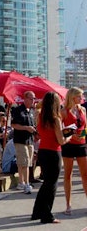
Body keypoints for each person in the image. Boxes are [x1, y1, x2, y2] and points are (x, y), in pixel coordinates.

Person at [31, 92, 72, 224]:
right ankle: (47, 214)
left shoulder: (40, 116)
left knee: (46, 183)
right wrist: (69, 136)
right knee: (52, 185)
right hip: (54, 152)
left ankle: (37, 211)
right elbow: (60, 140)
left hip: (43, 150)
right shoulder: (56, 119)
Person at [60, 86, 87, 216]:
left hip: (82, 144)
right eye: (79, 96)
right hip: (69, 145)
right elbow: (59, 130)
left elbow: (86, 127)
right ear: (72, 97)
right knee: (68, 174)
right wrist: (70, 135)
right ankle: (68, 204)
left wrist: (83, 135)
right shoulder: (64, 111)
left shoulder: (83, 110)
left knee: (85, 175)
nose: (82, 98)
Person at [11, 91, 36, 194]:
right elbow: (14, 125)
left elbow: (33, 125)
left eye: (34, 98)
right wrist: (26, 128)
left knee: (26, 162)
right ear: (25, 99)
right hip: (20, 140)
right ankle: (26, 183)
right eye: (31, 98)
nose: (33, 101)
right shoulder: (17, 110)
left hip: (30, 140)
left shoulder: (31, 111)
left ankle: (21, 182)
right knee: (24, 161)